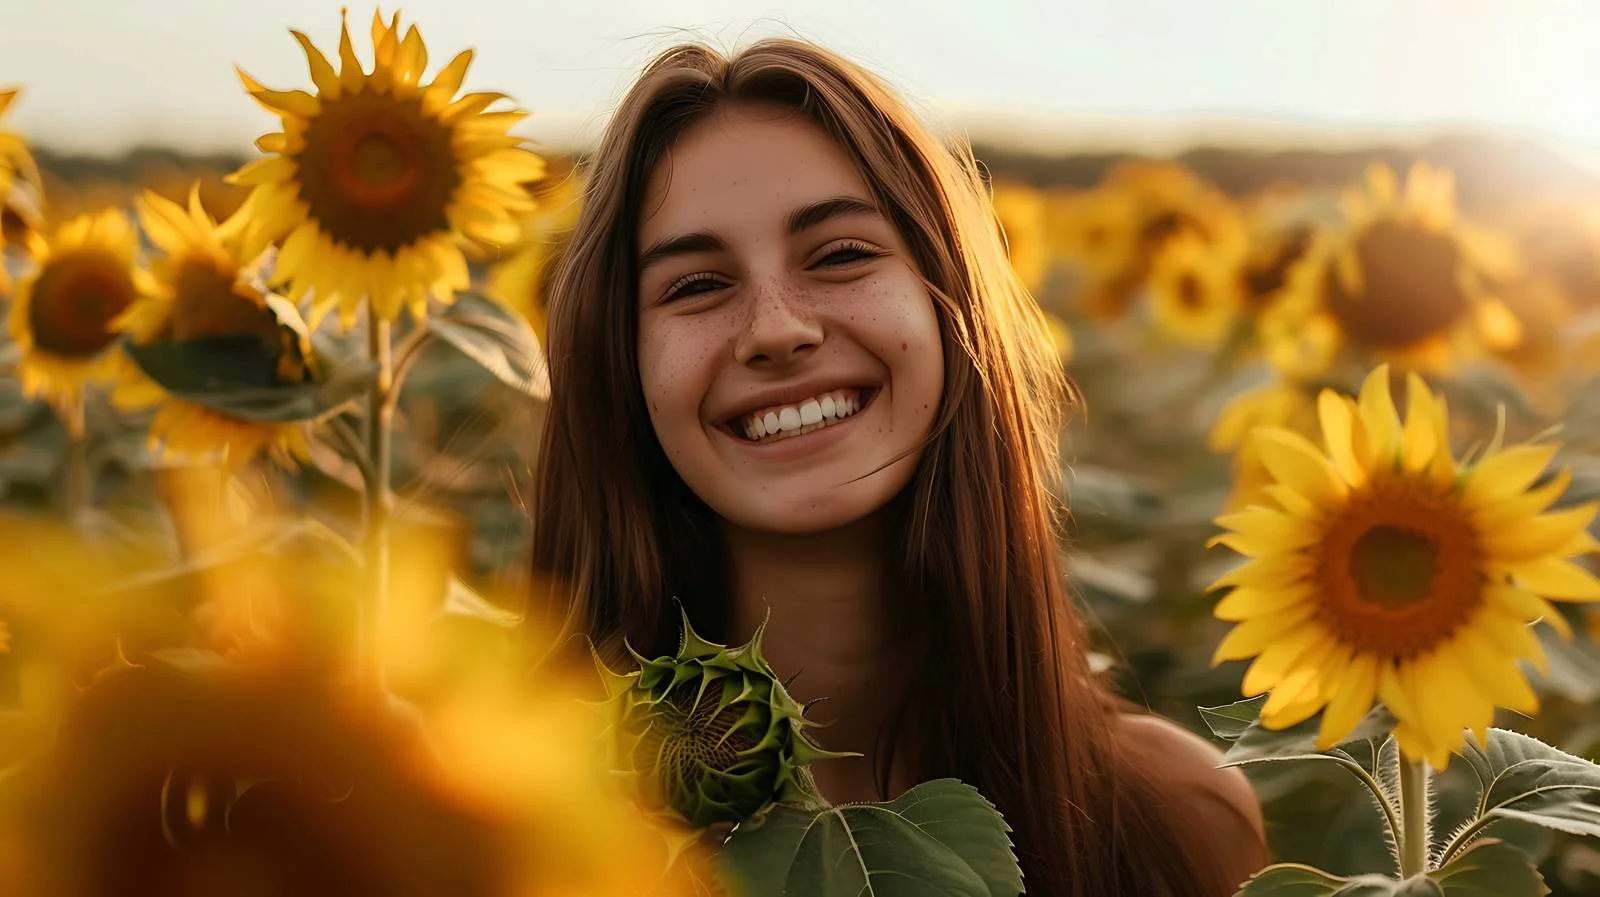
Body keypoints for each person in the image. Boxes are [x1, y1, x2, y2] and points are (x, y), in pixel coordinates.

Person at [528, 37, 1268, 897]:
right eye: (695, 285)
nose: (777, 328)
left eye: (841, 255)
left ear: (947, 301)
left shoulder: (1174, 818)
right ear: (620, 365)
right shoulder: (508, 834)